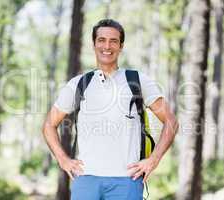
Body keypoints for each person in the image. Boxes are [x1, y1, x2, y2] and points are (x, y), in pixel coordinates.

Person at [42, 19, 179, 200]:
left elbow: (171, 122)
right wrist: (63, 159)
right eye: (102, 40)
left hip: (127, 181)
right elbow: (48, 125)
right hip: (86, 180)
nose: (107, 46)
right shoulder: (79, 84)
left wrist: (153, 160)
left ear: (121, 46)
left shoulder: (137, 81)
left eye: (113, 41)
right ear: (94, 44)